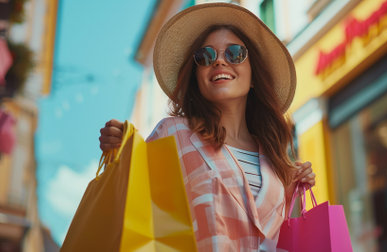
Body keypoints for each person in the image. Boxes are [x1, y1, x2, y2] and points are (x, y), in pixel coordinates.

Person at [99, 3, 315, 251]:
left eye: (235, 53)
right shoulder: (173, 135)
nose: (219, 61)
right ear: (196, 77)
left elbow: (278, 239)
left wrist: (290, 189)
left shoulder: (275, 163)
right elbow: (132, 208)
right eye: (205, 57)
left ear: (253, 75)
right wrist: (120, 154)